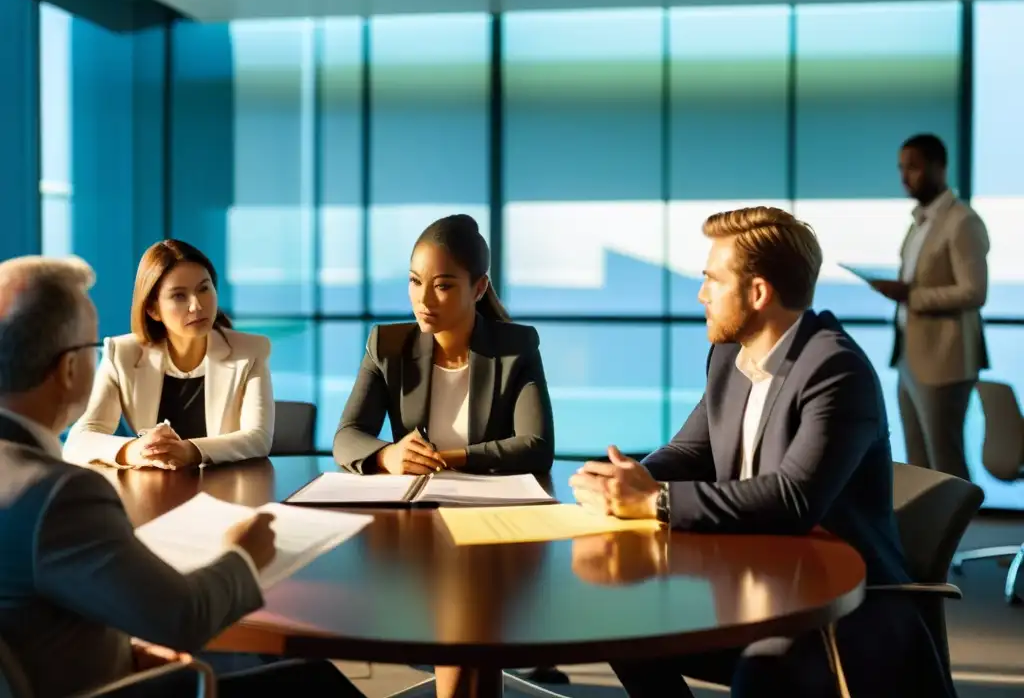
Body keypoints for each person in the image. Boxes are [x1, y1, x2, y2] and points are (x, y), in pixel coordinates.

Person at [569, 207, 953, 697]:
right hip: (753, 582)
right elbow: (690, 450)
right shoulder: (730, 354)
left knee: (764, 671)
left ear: (757, 293)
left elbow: (793, 499)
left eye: (712, 280)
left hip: (840, 603)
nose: (700, 294)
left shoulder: (836, 369)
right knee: (618, 622)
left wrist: (655, 500)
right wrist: (624, 481)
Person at [0, 256, 362, 698]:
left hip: (87, 670)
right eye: (89, 349)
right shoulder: (61, 496)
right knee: (316, 680)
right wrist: (244, 556)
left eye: (205, 288)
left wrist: (126, 652)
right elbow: (183, 618)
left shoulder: (34, 489)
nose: (196, 304)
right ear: (70, 369)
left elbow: (37, 618)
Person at [333, 214, 554, 476]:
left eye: (442, 286)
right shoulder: (386, 345)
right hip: (414, 504)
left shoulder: (516, 347)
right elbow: (347, 436)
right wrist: (387, 455)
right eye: (415, 281)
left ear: (479, 288)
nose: (423, 300)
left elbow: (536, 446)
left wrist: (443, 458)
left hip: (488, 504)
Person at [64, 239, 274, 469]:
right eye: (179, 296)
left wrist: (191, 451)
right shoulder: (122, 353)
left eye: (204, 289)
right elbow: (79, 441)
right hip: (154, 492)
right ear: (153, 309)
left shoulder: (251, 350)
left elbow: (258, 438)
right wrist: (138, 450)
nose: (197, 305)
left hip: (228, 488)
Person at [870, 133, 989, 481]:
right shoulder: (918, 223)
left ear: (940, 167)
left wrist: (912, 296)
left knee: (946, 465)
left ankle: (960, 536)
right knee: (918, 464)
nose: (905, 177)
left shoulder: (962, 221)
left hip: (945, 358)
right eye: (901, 168)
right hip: (911, 354)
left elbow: (974, 292)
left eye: (914, 167)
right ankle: (926, 537)